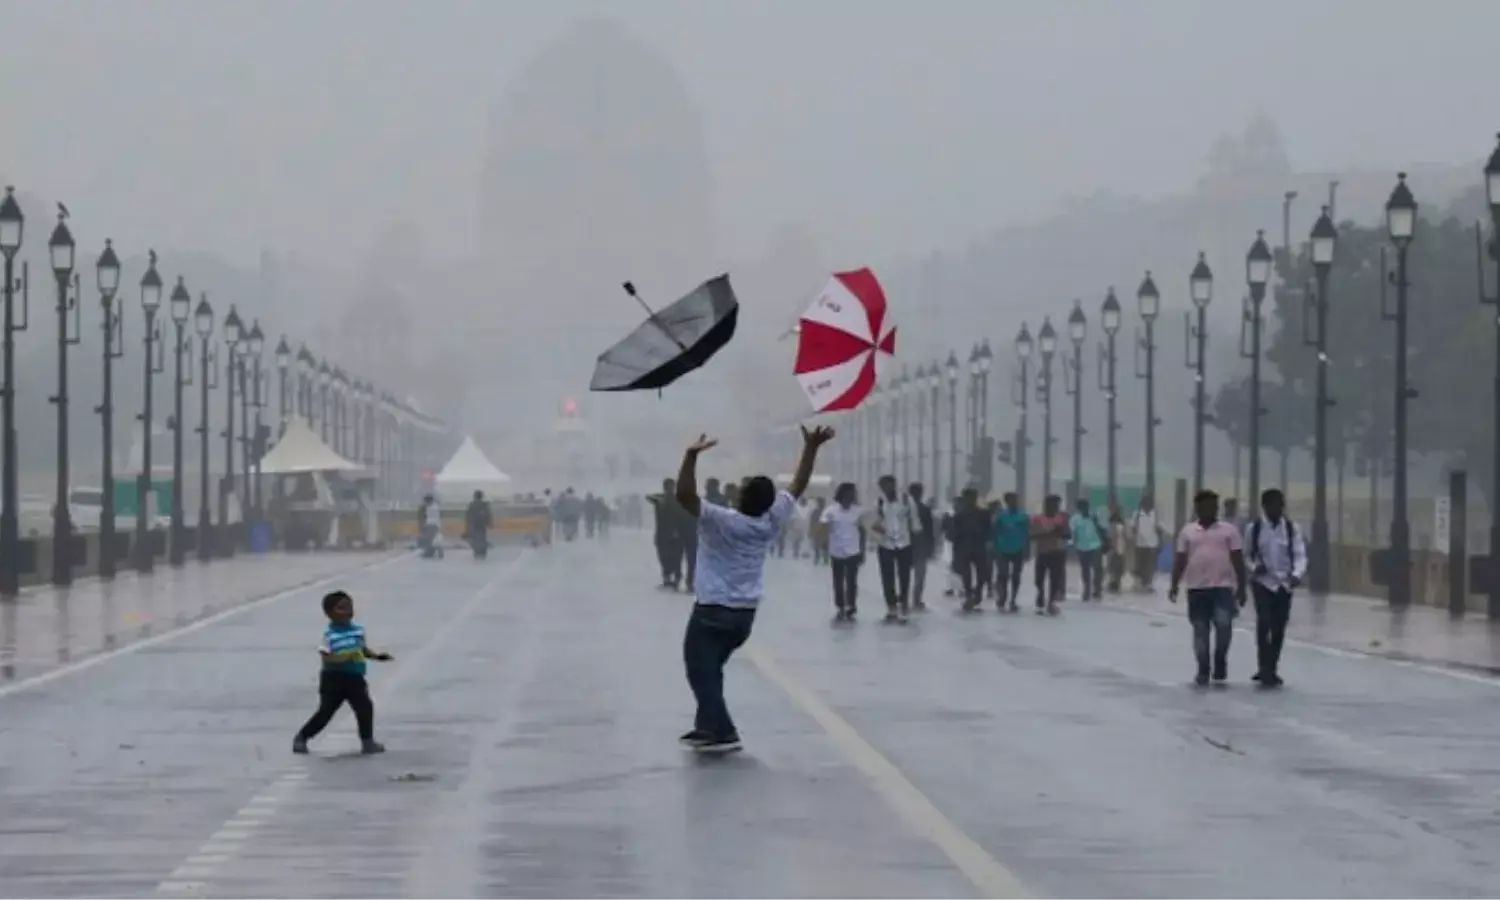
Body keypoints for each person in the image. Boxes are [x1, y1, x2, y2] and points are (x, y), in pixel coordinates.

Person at [676, 425, 834, 753]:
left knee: (698, 668)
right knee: (711, 668)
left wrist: (690, 457)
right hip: (743, 617)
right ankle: (707, 725)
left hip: (711, 611)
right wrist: (811, 448)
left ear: (742, 497)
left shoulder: (722, 520)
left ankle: (723, 730)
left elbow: (685, 496)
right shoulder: (770, 520)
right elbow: (798, 485)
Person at [293, 590, 392, 755]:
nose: (347, 611)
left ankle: (367, 742)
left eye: (349, 607)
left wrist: (376, 656)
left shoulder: (358, 630)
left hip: (355, 678)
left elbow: (361, 649)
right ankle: (302, 737)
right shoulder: (330, 635)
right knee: (326, 712)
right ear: (329, 613)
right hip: (333, 679)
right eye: (341, 608)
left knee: (365, 708)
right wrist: (341, 659)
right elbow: (326, 656)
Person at [1169, 490, 1248, 685]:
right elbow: (1180, 559)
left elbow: (1238, 560)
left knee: (1223, 624)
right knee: (1200, 629)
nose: (1210, 510)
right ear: (1197, 508)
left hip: (1222, 587)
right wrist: (1174, 584)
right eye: (1205, 506)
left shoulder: (1229, 531)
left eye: (1213, 506)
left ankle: (1220, 659)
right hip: (1196, 588)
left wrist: (1242, 587)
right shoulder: (1187, 532)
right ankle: (1203, 668)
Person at [1246, 488, 1306, 687]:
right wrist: (1255, 567)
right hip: (1263, 583)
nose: (1278, 510)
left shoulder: (1291, 528)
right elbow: (1247, 555)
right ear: (1265, 506)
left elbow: (1299, 554)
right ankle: (1263, 666)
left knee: (1279, 627)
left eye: (1281, 506)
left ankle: (1272, 666)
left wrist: (1297, 574)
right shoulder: (1254, 529)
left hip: (1284, 584)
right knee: (1264, 622)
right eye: (1273, 506)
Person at [871, 474, 922, 622]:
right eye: (883, 486)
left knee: (904, 575)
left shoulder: (907, 500)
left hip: (904, 543)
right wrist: (878, 528)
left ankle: (904, 601)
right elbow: (874, 522)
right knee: (887, 577)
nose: (886, 489)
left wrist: (917, 544)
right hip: (885, 544)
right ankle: (891, 605)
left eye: (889, 485)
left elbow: (915, 523)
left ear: (894, 485)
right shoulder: (879, 503)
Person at [822, 482, 865, 620]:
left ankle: (851, 605)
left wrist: (862, 550)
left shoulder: (858, 511)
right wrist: (823, 542)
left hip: (853, 550)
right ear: (841, 494)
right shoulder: (831, 511)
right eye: (848, 493)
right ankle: (840, 605)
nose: (850, 496)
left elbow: (863, 531)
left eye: (852, 493)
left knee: (852, 581)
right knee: (838, 581)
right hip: (837, 551)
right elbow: (824, 527)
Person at [951, 488, 991, 611]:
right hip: (964, 547)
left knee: (982, 573)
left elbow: (988, 530)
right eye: (969, 498)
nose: (971, 500)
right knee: (966, 574)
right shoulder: (959, 516)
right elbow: (954, 534)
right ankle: (969, 594)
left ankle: (977, 592)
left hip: (979, 546)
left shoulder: (983, 513)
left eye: (973, 497)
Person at [991, 493, 1029, 612]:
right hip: (1002, 549)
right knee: (1003, 575)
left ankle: (1013, 599)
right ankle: (1002, 597)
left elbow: (1028, 534)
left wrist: (1028, 549)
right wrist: (994, 548)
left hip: (1019, 549)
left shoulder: (1024, 516)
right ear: (1006, 502)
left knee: (1016, 576)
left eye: (1015, 500)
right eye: (1011, 500)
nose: (1014, 502)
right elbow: (994, 533)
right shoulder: (1000, 517)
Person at [648, 479, 684, 589]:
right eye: (667, 487)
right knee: (664, 557)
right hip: (662, 533)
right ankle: (667, 578)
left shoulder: (678, 500)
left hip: (674, 533)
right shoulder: (660, 499)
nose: (669, 489)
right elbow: (649, 497)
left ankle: (676, 579)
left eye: (671, 487)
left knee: (675, 557)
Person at [1070, 498, 1106, 601]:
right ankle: (1087, 590)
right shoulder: (1075, 519)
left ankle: (1097, 589)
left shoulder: (1094, 516)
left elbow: (1101, 529)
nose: (1084, 509)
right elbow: (1074, 533)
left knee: (1097, 568)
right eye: (1082, 507)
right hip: (1082, 547)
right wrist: (1075, 545)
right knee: (1085, 569)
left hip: (1095, 545)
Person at [908, 483, 936, 610]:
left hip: (916, 546)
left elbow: (930, 530)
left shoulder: (923, 509)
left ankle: (915, 598)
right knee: (917, 575)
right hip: (912, 546)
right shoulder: (907, 509)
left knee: (917, 574)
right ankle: (915, 598)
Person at [1131, 496, 1164, 591]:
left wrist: (1161, 542)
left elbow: (1159, 529)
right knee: (1140, 565)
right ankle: (1141, 582)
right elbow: (1133, 529)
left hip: (1152, 544)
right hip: (1140, 544)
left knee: (1151, 565)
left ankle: (1148, 583)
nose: (1148, 507)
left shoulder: (1155, 515)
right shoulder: (1137, 514)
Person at [1106, 506, 1128, 593]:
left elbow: (1111, 536)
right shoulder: (1122, 524)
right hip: (1120, 549)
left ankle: (1113, 583)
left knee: (1113, 567)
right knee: (1118, 567)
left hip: (1114, 549)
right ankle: (1116, 583)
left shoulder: (1113, 524)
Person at [464, 490, 492, 560]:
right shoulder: (484, 505)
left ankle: (477, 552)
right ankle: (482, 552)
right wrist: (489, 523)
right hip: (482, 525)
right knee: (482, 537)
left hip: (474, 525)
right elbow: (488, 514)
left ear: (475, 496)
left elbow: (468, 516)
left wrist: (468, 527)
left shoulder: (472, 504)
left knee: (476, 539)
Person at [418, 493, 442, 559]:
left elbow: (423, 516)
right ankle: (434, 551)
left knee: (428, 540)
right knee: (434, 539)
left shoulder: (427, 507)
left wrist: (422, 526)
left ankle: (430, 552)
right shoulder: (436, 507)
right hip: (436, 524)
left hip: (429, 524)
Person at [810, 497, 830, 565]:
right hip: (820, 532)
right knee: (819, 548)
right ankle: (820, 559)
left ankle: (823, 560)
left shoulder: (827, 512)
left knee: (824, 548)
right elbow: (812, 522)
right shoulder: (816, 512)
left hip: (824, 532)